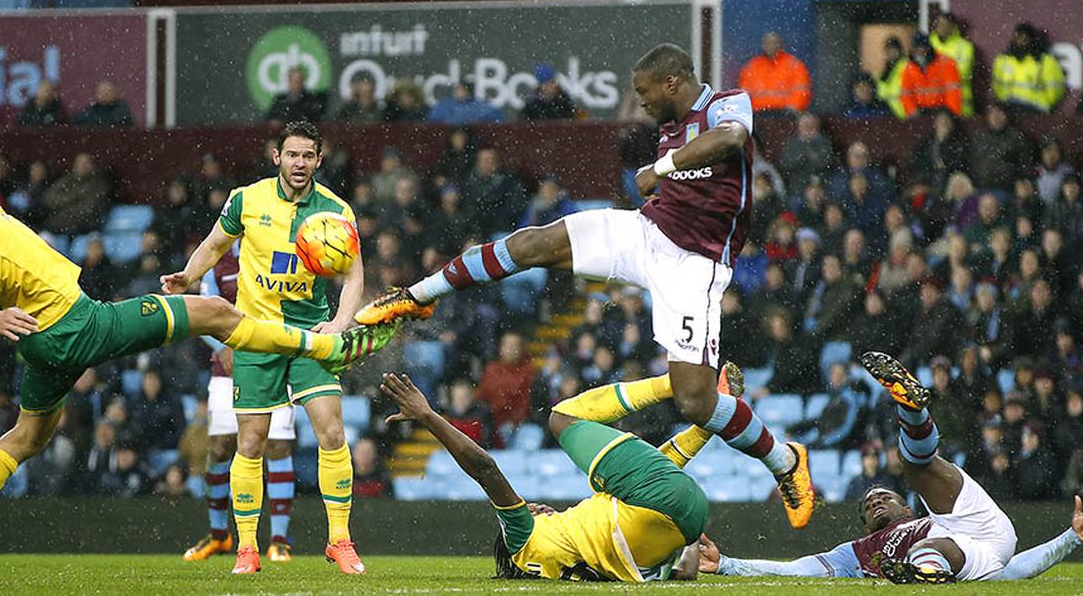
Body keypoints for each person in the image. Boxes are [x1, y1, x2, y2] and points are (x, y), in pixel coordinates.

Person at [0, 14, 395, 586]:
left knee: (28, 436)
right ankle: (325, 344)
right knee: (214, 313)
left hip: (42, 346)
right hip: (73, 324)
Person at [355, 42, 816, 529]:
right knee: (532, 244)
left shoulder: (728, 102)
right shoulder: (666, 123)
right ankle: (416, 296)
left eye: (643, 92)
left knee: (696, 402)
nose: (639, 102)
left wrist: (659, 168)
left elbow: (729, 139)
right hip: (646, 233)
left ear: (672, 83)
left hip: (694, 265)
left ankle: (784, 461)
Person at [161, 121, 370, 576]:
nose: (299, 163)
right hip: (255, 333)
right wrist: (187, 276)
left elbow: (354, 275)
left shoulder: (336, 210)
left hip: (308, 335)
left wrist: (338, 322)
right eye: (292, 155)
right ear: (277, 157)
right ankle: (247, 548)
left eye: (308, 156)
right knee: (250, 442)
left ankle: (339, 541)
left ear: (319, 159)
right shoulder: (246, 199)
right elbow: (215, 244)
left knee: (332, 432)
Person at [689, 351, 1083, 584]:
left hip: (970, 525)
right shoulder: (857, 553)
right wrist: (727, 565)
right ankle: (926, 570)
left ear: (907, 508)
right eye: (868, 504)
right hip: (964, 557)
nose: (874, 500)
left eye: (883, 496)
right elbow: (1012, 573)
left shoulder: (925, 517)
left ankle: (911, 408)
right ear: (863, 524)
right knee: (926, 550)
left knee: (916, 466)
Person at [379, 367, 749, 581]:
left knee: (648, 472)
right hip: (658, 504)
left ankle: (711, 420)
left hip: (687, 517)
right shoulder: (524, 540)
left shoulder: (578, 558)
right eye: (532, 509)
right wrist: (428, 415)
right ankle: (680, 384)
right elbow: (486, 469)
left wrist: (695, 555)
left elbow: (684, 572)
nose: (537, 507)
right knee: (562, 417)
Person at [182, 239, 299, 564]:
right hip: (227, 369)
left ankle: (279, 541)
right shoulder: (218, 266)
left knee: (277, 445)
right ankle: (219, 535)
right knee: (219, 446)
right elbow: (202, 314)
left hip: (274, 365)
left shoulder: (280, 257)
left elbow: (294, 306)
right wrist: (221, 347)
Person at [992, 22, 1066, 114]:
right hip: (1008, 110)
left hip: (1035, 111)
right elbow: (996, 87)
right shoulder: (1003, 60)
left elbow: (1055, 90)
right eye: (1018, 37)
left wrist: (1044, 104)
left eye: (1024, 38)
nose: (1021, 41)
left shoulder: (1046, 62)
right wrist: (1004, 102)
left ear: (1032, 40)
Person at [737, 32, 811, 114]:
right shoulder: (752, 67)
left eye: (774, 43)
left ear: (780, 45)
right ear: (763, 45)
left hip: (786, 114)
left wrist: (791, 110)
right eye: (767, 43)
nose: (770, 46)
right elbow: (743, 93)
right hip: (757, 114)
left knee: (808, 121)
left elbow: (801, 92)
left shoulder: (794, 65)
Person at [900, 32, 962, 117]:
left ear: (929, 48)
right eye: (918, 48)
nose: (921, 51)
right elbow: (906, 95)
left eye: (923, 47)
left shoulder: (946, 64)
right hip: (920, 113)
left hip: (942, 112)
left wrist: (951, 115)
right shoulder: (909, 69)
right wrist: (913, 113)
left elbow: (953, 93)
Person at [930, 12, 976, 117]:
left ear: (952, 26)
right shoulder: (930, 44)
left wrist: (937, 74)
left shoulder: (964, 47)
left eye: (945, 25)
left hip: (961, 105)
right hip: (935, 104)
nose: (942, 28)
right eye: (940, 24)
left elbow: (962, 73)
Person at [428, 80, 505, 125]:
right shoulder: (445, 105)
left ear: (468, 91)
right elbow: (433, 120)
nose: (458, 92)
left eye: (462, 90)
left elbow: (498, 118)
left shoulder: (480, 106)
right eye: (457, 89)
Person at [875, 36, 909, 118]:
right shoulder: (882, 73)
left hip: (905, 115)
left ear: (900, 51)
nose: (891, 53)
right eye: (888, 50)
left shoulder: (906, 66)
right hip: (887, 116)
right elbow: (880, 95)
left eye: (894, 49)